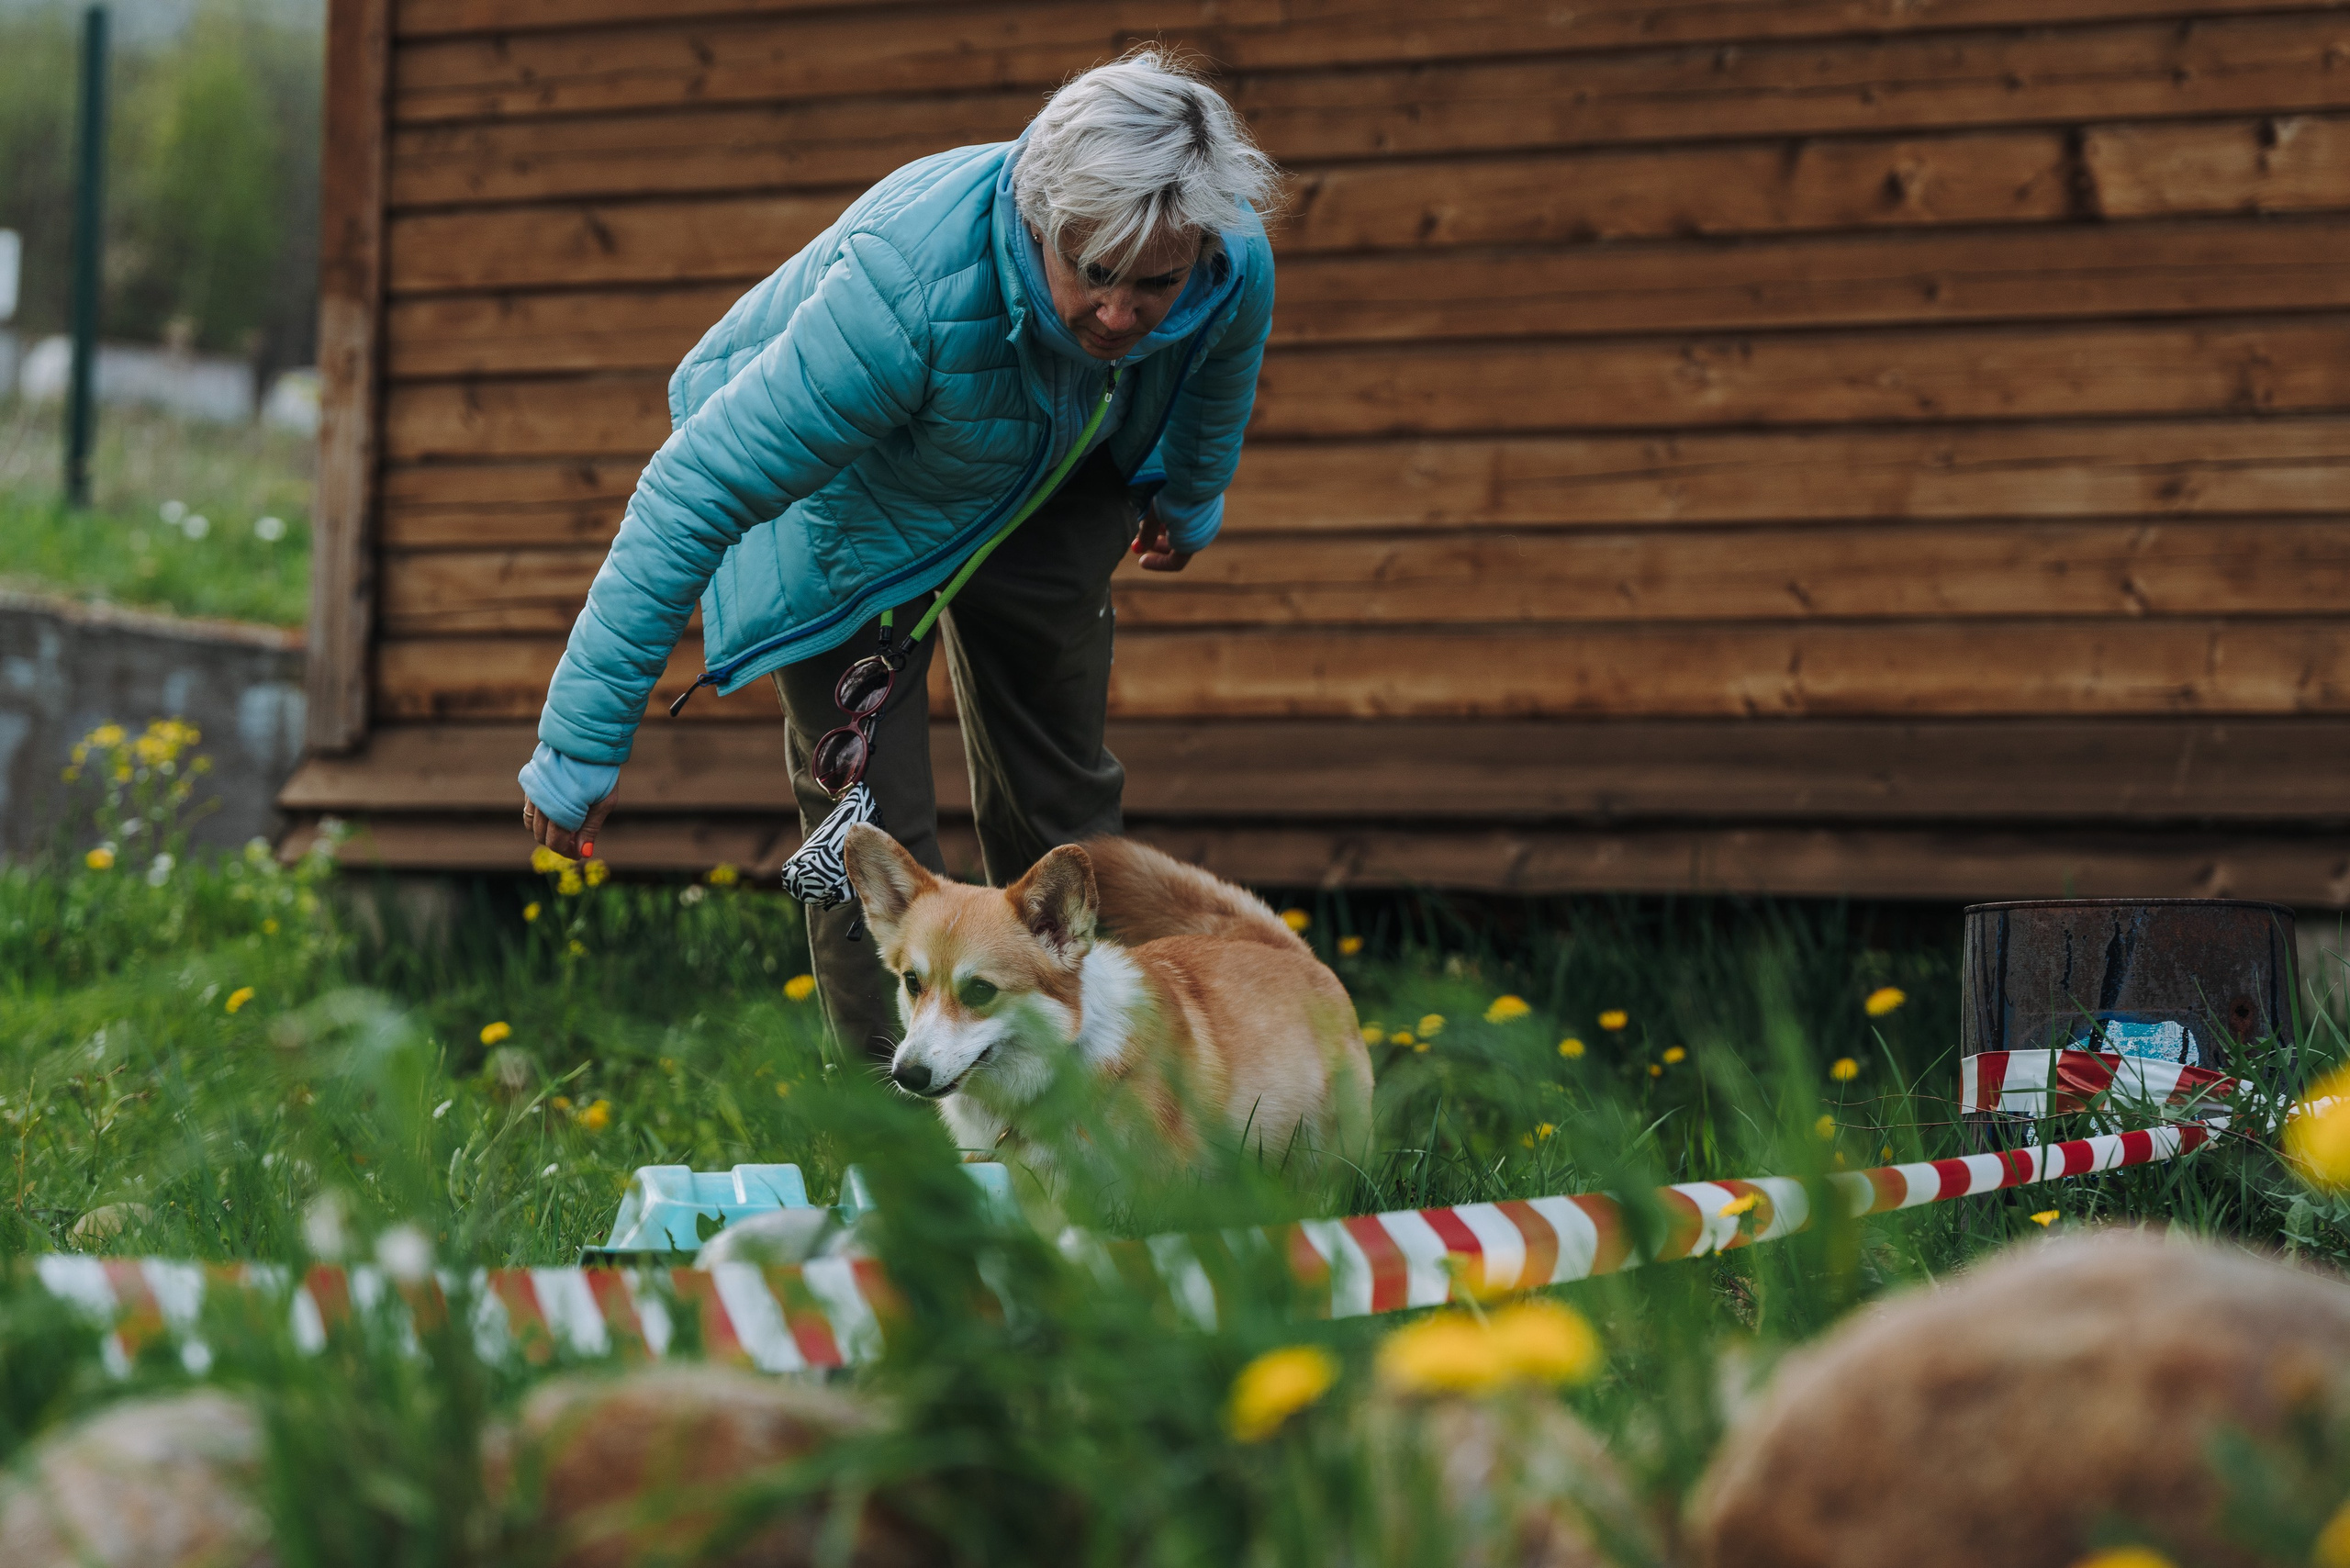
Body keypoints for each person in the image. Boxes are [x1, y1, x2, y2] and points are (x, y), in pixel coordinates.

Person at [516, 50, 1281, 1058]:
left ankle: (1108, 1091)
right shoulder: (902, 294)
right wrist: (579, 746)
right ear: (1036, 215)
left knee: (1063, 807)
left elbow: (1216, 371)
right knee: (867, 838)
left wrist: (1186, 492)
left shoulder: (1224, 262)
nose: (1123, 314)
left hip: (1049, 485)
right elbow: (689, 490)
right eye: (1094, 274)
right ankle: (908, 1153)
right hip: (852, 525)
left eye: (1156, 284)